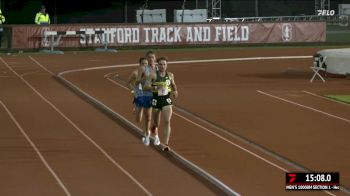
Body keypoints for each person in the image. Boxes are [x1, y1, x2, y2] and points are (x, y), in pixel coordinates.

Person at [149, 56, 178, 151]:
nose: (162, 66)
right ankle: (154, 127)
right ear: (157, 65)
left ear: (167, 65)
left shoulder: (170, 75)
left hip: (166, 100)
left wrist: (175, 91)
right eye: (160, 64)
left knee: (167, 121)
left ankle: (165, 144)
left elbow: (173, 84)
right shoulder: (153, 75)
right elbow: (146, 86)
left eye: (164, 64)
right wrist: (156, 87)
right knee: (156, 123)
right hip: (156, 100)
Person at [136, 50, 160, 146]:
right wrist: (144, 79)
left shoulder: (159, 68)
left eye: (152, 57)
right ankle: (147, 135)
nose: (151, 59)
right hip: (146, 95)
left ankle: (156, 134)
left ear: (155, 58)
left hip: (157, 95)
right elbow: (137, 82)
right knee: (148, 117)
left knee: (156, 118)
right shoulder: (143, 69)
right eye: (149, 57)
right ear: (146, 58)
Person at [127, 57, 148, 123]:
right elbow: (128, 83)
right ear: (139, 64)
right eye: (143, 63)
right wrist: (133, 92)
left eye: (146, 63)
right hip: (138, 94)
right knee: (138, 119)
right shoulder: (135, 73)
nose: (144, 65)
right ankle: (136, 108)